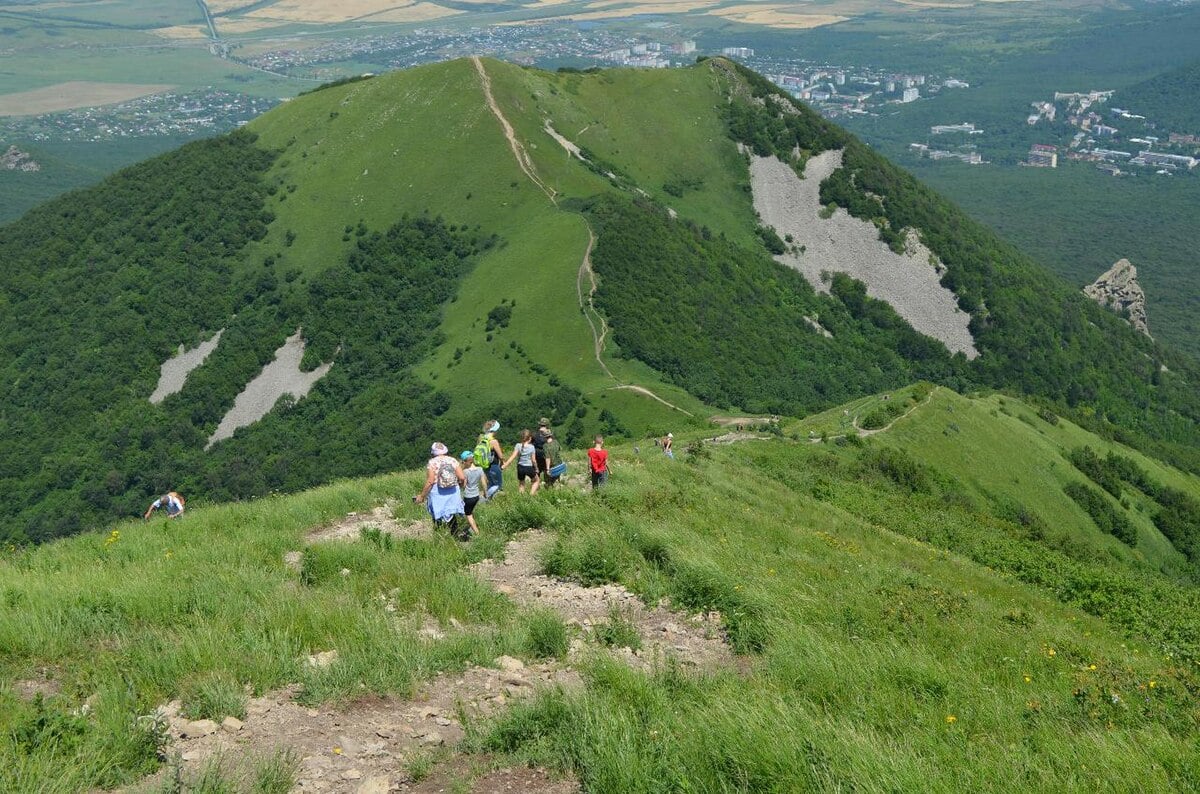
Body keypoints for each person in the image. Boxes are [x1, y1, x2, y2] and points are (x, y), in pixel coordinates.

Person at [416, 442, 467, 539]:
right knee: (451, 514)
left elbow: (430, 481)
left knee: (437, 515)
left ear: (433, 452)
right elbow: (462, 477)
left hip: (437, 492)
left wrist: (422, 496)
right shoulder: (452, 460)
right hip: (453, 490)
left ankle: (439, 537)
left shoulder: (432, 462)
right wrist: (459, 486)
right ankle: (455, 536)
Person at [459, 450, 489, 537]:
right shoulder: (480, 469)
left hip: (468, 496)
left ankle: (477, 533)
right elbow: (484, 483)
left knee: (468, 514)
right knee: (470, 511)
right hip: (476, 496)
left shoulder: (465, 472)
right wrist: (485, 493)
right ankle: (471, 526)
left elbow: (464, 486)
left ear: (465, 461)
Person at [503, 429, 540, 495]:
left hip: (520, 467)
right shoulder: (532, 447)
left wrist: (505, 465)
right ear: (530, 438)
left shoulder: (518, 445)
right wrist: (536, 469)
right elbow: (534, 460)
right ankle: (531, 495)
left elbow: (512, 457)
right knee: (536, 480)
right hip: (529, 467)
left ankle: (521, 497)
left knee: (521, 483)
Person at [475, 420, 504, 497]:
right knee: (498, 485)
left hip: (485, 465)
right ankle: (489, 499)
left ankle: (488, 499)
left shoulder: (481, 438)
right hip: (494, 465)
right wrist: (502, 463)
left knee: (491, 484)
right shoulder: (493, 441)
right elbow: (500, 456)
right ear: (495, 429)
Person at [533, 417, 552, 483]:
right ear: (547, 425)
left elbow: (532, 444)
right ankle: (548, 484)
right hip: (546, 455)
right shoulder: (549, 434)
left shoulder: (535, 434)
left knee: (537, 471)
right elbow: (552, 443)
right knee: (547, 470)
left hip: (536, 455)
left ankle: (536, 485)